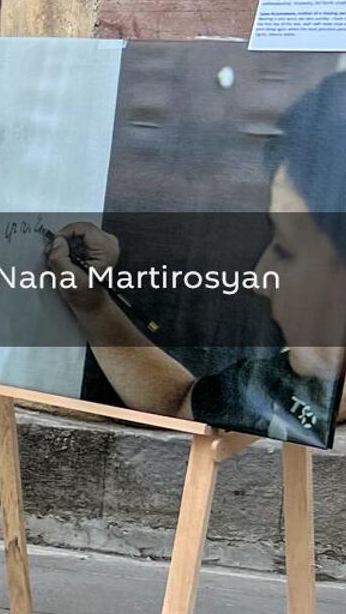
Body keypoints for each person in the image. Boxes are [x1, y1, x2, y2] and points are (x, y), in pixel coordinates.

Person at [47, 71, 346, 444]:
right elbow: (178, 404)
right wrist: (91, 305)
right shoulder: (290, 380)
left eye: (286, 248)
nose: (260, 278)